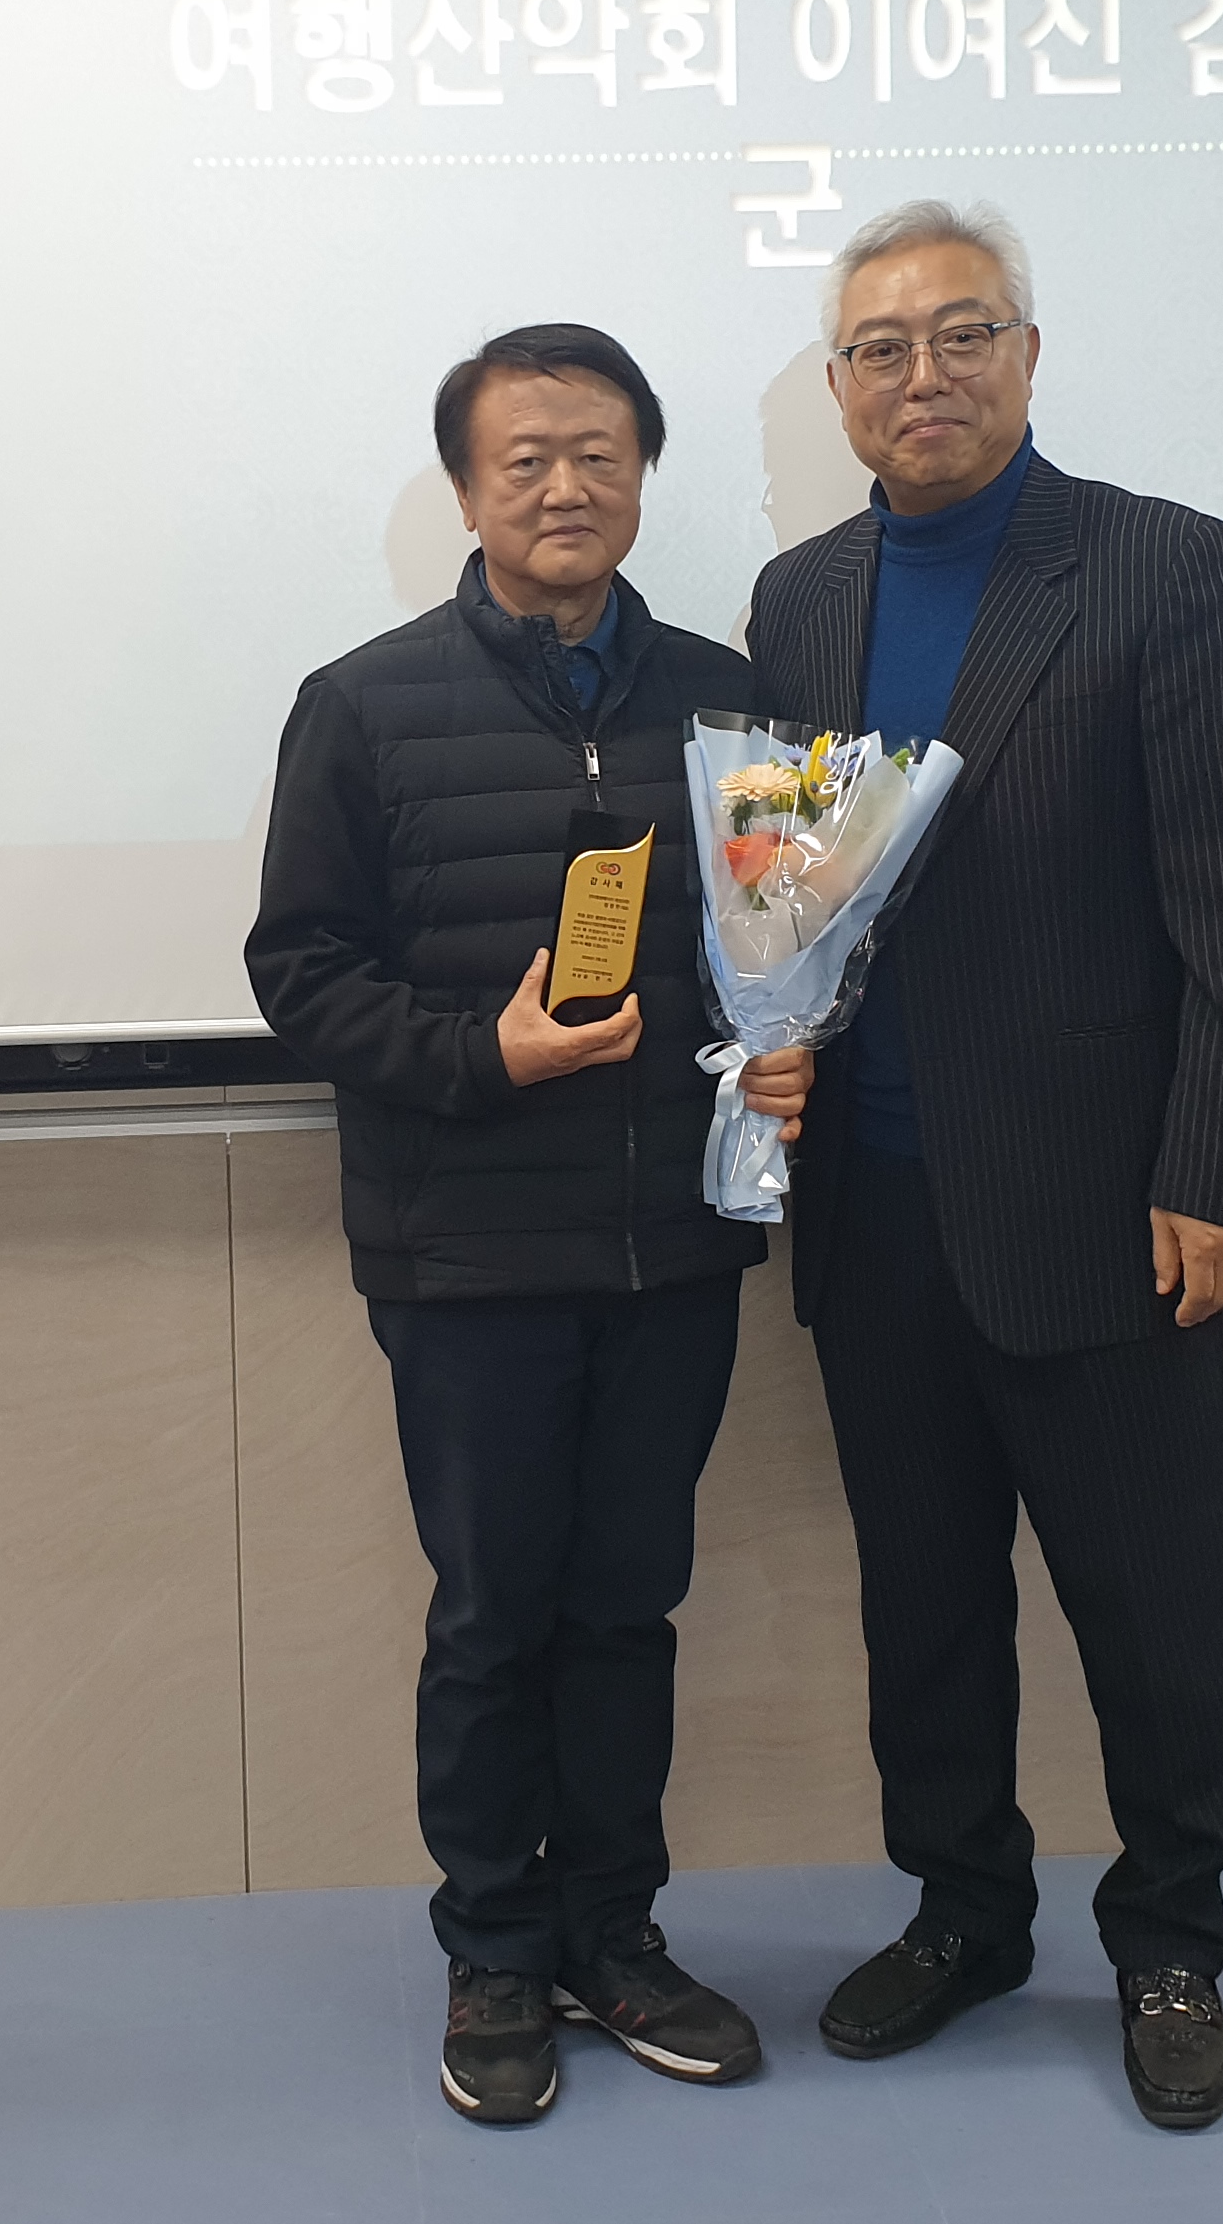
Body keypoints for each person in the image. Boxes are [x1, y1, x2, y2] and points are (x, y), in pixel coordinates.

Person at [744, 201, 1223, 2130]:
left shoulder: (1162, 568)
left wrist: (1217, 1174)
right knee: (926, 1606)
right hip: (875, 1209)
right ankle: (965, 1912)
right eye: (881, 348)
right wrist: (767, 1042)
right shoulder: (799, 599)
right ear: (839, 390)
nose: (925, 375)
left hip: (1112, 1209)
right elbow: (784, 899)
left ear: (1030, 355)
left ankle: (1171, 1942)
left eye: (963, 334)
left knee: (1155, 1609)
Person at [249, 322, 810, 2126]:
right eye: (527, 460)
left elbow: (784, 940)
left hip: (671, 1244)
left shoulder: (731, 702)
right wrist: (476, 1057)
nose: (567, 487)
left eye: (600, 456)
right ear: (467, 488)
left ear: (642, 476)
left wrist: (787, 1048)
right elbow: (299, 971)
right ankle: (494, 1950)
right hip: (467, 1249)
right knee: (495, 1614)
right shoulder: (362, 704)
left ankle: (613, 1937)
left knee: (629, 1609)